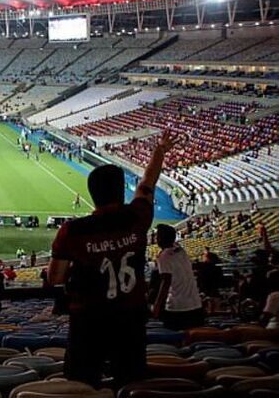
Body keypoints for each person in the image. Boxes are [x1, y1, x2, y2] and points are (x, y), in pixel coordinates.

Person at [49, 130, 177, 388]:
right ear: (121, 191)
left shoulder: (73, 231)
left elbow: (55, 277)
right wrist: (160, 151)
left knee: (82, 381)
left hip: (88, 319)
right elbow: (146, 187)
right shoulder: (137, 218)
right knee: (130, 379)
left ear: (92, 193)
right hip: (131, 316)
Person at [152, 224, 204, 331]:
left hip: (178, 308)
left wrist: (157, 305)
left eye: (157, 236)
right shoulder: (181, 251)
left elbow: (166, 282)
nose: (155, 238)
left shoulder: (164, 257)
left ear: (161, 238)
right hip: (196, 305)